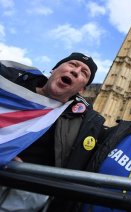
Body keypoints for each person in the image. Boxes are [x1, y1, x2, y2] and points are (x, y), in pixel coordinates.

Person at [0, 52, 106, 211]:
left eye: (84, 73)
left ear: (82, 90)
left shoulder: (85, 121)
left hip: (25, 195)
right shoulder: (9, 84)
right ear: (54, 69)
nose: (75, 71)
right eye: (72, 64)